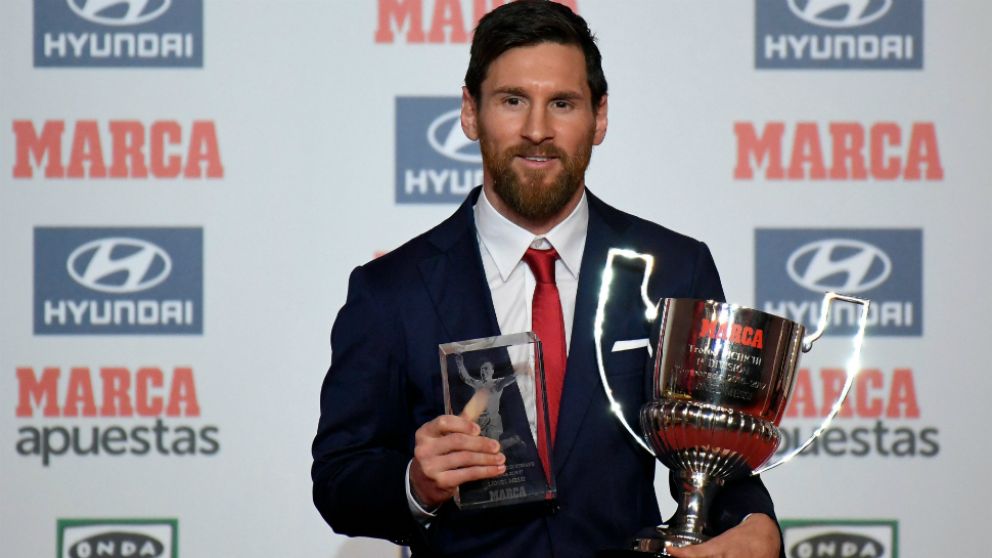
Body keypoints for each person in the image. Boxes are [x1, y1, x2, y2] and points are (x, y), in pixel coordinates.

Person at [312, 2, 783, 557]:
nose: (537, 130)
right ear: (470, 112)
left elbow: (712, 451)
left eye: (562, 103)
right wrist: (416, 484)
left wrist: (756, 522)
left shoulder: (675, 268)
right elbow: (339, 480)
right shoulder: (391, 290)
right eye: (512, 101)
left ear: (599, 117)